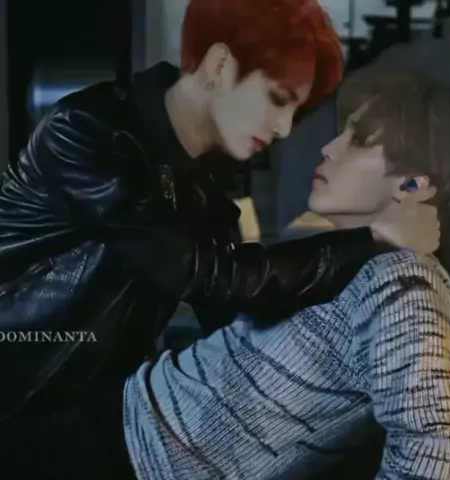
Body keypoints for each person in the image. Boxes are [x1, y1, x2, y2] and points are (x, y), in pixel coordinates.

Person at [0, 0, 424, 424]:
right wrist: (373, 237)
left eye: (295, 110)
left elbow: (236, 314)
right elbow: (210, 276)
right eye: (277, 98)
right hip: (19, 406)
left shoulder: (198, 180)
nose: (284, 127)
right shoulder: (89, 132)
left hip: (89, 414)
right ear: (219, 65)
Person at [117, 70, 450, 479]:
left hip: (139, 455)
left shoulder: (404, 280)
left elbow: (441, 456)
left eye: (359, 140)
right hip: (129, 418)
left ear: (413, 186)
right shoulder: (355, 259)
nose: (329, 148)